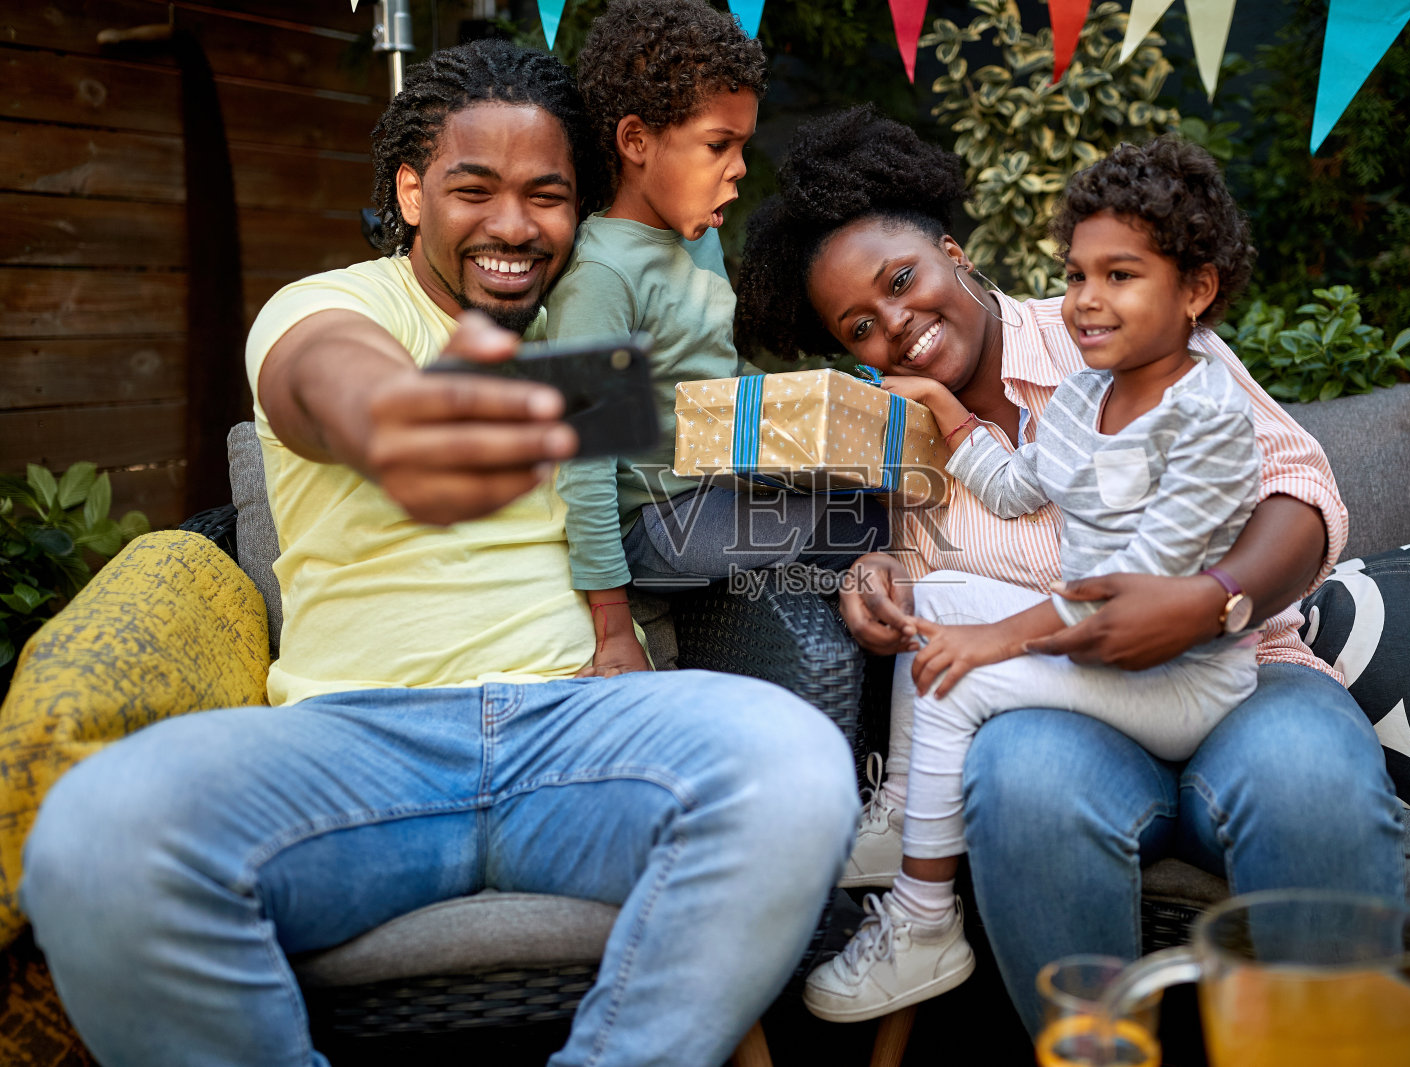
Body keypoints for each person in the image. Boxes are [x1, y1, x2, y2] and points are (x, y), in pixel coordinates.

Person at [18, 40, 858, 1067]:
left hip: (577, 740)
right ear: (412, 190)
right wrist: (395, 419)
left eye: (546, 195)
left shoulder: (589, 341)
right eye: (475, 188)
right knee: (96, 830)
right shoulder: (329, 307)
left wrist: (893, 425)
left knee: (797, 763)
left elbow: (722, 443)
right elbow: (328, 377)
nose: (513, 224)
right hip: (352, 746)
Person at [736, 105, 1406, 1032]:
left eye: (904, 279)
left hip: (1242, 674)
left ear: (954, 251)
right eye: (861, 325)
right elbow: (942, 557)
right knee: (1023, 784)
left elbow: (1301, 487)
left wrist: (1211, 598)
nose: (898, 324)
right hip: (1062, 706)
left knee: (1311, 781)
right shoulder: (903, 431)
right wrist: (878, 574)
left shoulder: (1112, 328)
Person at [800, 138, 1265, 1021]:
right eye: (860, 327)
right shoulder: (1090, 389)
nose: (1088, 300)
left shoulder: (1204, 412)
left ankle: (922, 915)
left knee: (953, 662)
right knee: (935, 605)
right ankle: (900, 811)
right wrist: (944, 413)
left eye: (899, 283)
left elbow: (1139, 583)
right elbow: (1018, 488)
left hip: (1188, 673)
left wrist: (994, 639)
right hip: (1104, 659)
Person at [547, 0, 888, 677]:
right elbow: (583, 463)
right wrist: (613, 624)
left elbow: (721, 384)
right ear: (636, 141)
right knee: (858, 526)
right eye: (717, 145)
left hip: (718, 487)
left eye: (742, 147)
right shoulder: (601, 274)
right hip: (653, 524)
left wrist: (842, 402)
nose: (737, 168)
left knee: (879, 494)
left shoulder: (695, 244)